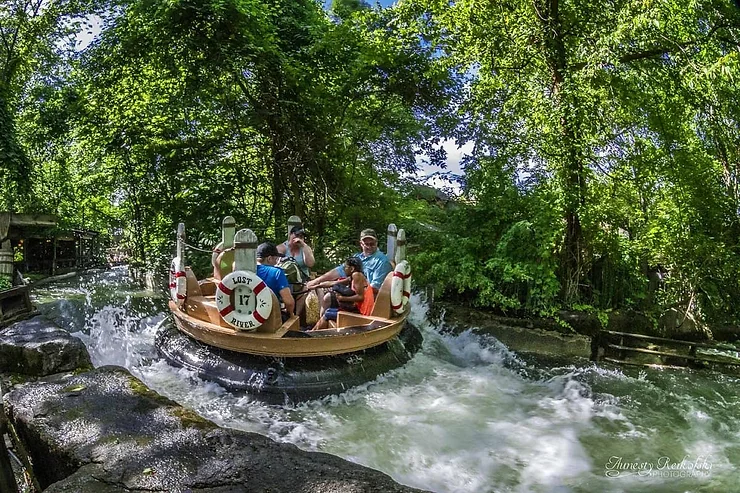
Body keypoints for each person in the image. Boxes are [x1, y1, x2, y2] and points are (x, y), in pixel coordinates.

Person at [306, 228, 392, 294]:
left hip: (366, 298)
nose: (369, 247)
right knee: (321, 292)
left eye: (372, 244)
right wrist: (316, 281)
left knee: (329, 297)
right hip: (353, 291)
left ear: (376, 243)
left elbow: (375, 289)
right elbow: (340, 270)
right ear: (361, 244)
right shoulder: (357, 257)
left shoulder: (382, 261)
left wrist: (339, 287)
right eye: (366, 244)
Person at [310, 257, 374, 330]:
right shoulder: (352, 277)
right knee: (329, 312)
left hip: (362, 314)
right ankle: (312, 332)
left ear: (352, 269)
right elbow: (334, 283)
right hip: (357, 310)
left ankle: (313, 333)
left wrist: (342, 298)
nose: (344, 269)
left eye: (345, 267)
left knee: (328, 314)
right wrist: (317, 285)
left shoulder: (357, 275)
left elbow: (360, 297)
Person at [256, 242, 295, 318]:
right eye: (276, 259)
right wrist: (289, 313)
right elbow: (289, 303)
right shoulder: (276, 272)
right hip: (270, 317)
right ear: (269, 258)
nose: (276, 262)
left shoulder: (245, 271)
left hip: (245, 316)